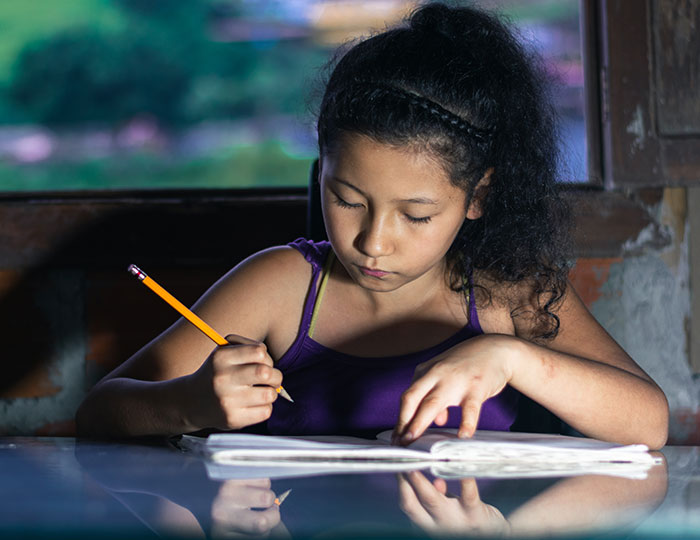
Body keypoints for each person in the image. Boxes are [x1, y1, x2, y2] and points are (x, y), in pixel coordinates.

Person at [76, 2, 669, 449]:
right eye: (348, 199)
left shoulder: (513, 290)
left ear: (477, 196)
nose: (373, 242)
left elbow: (650, 422)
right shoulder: (282, 286)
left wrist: (510, 357)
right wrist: (186, 404)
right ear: (321, 171)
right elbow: (98, 413)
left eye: (416, 215)